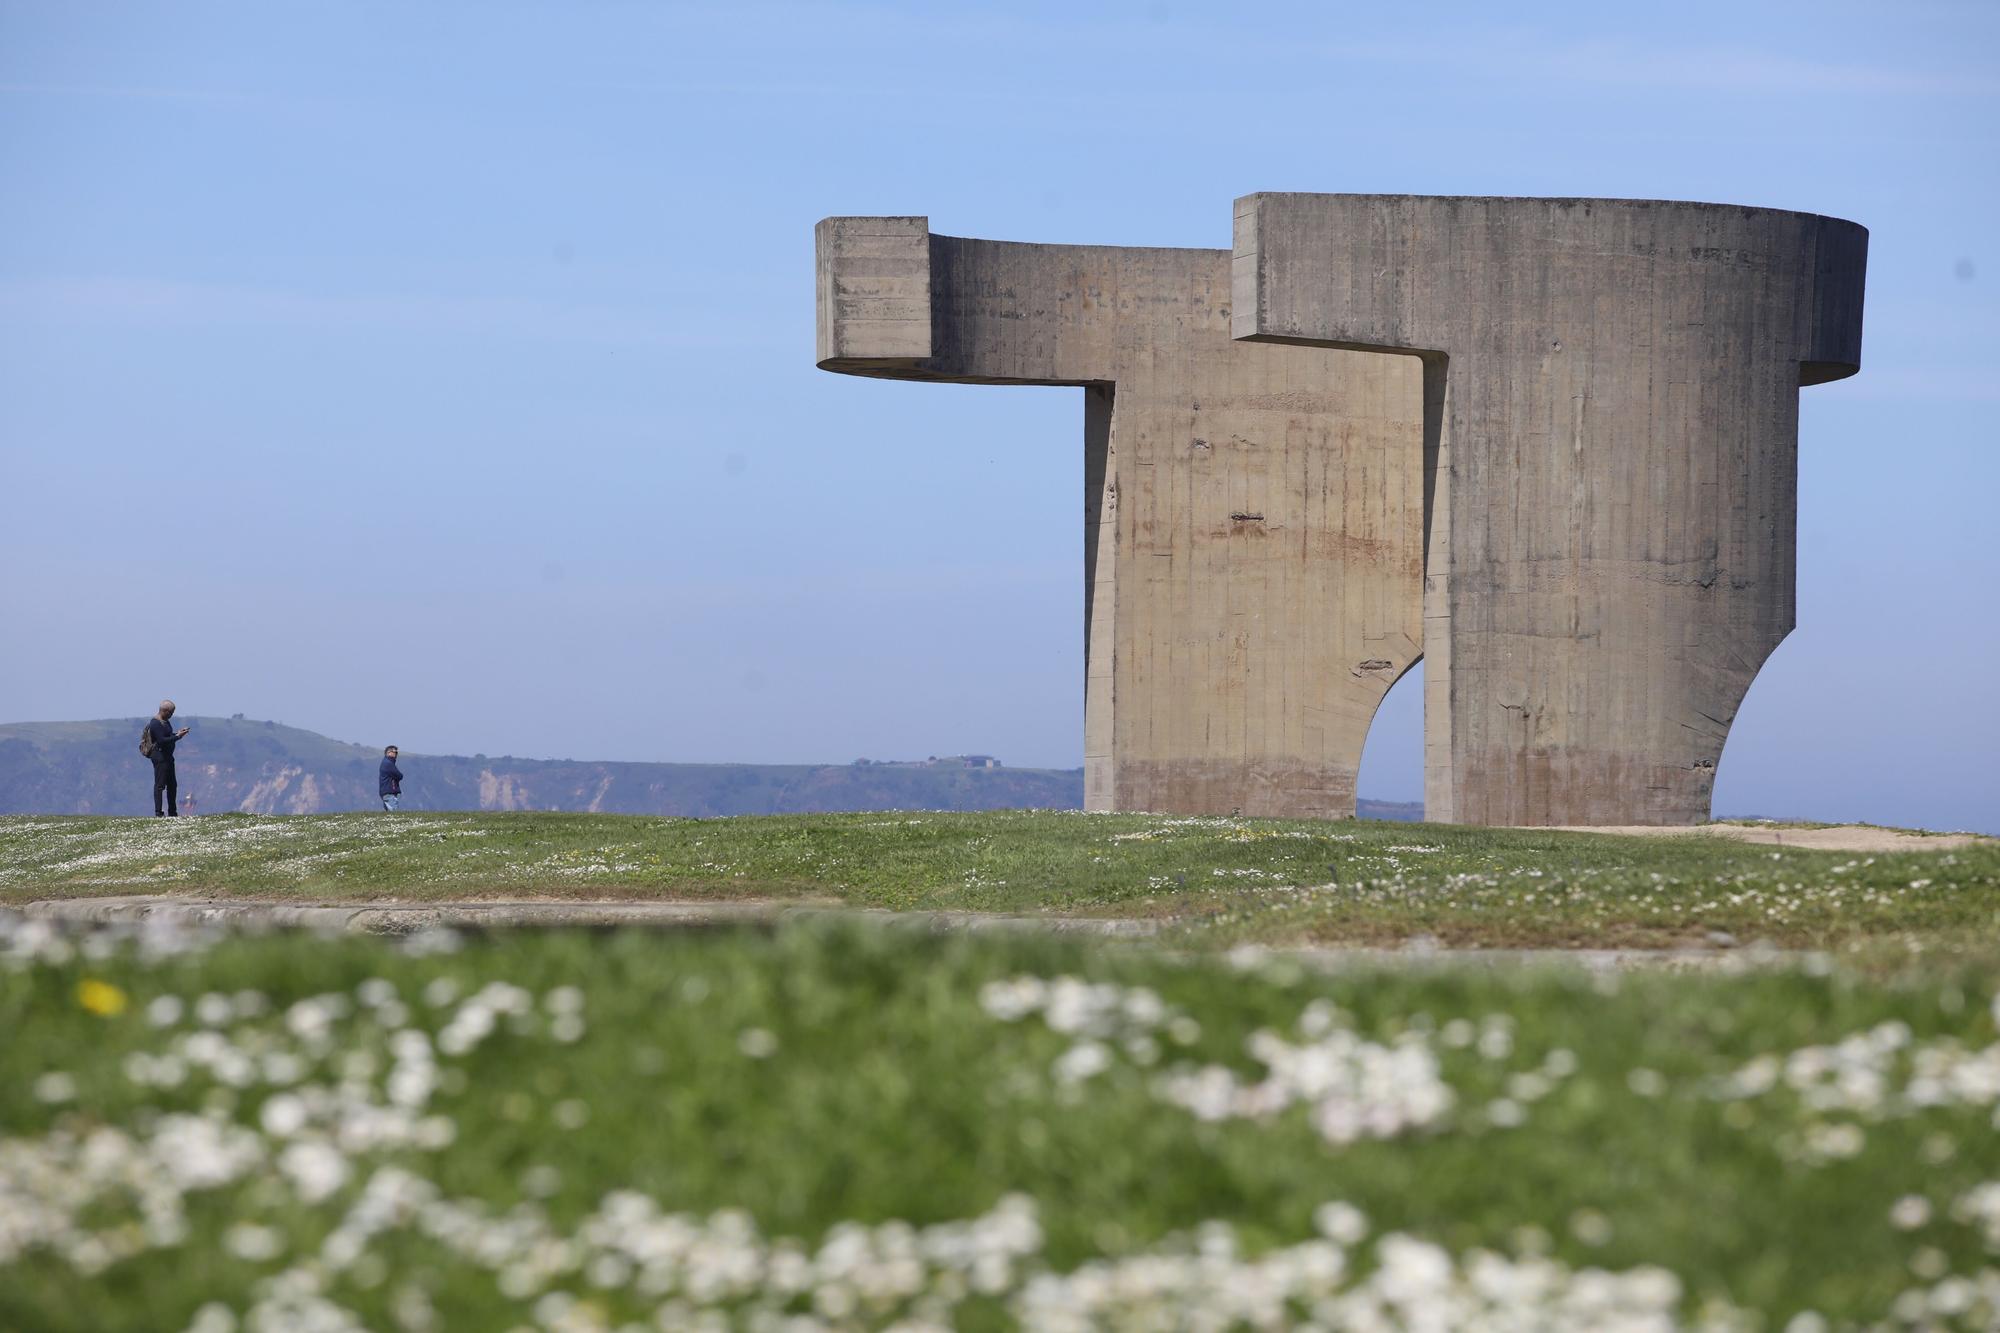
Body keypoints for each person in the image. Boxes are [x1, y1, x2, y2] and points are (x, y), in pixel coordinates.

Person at [145, 700, 190, 817]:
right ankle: (158, 812)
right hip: (160, 756)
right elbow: (161, 740)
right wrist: (177, 737)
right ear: (164, 711)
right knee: (160, 785)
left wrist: (177, 734)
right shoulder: (155, 723)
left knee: (172, 785)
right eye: (171, 712)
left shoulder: (166, 722)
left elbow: (168, 736)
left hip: (168, 756)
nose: (172, 715)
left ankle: (172, 812)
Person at [379, 745, 404, 811]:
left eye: (396, 753)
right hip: (389, 793)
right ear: (388, 753)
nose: (396, 754)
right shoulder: (388, 764)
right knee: (394, 814)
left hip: (387, 793)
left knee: (389, 816)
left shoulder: (386, 762)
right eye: (394, 752)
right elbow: (399, 775)